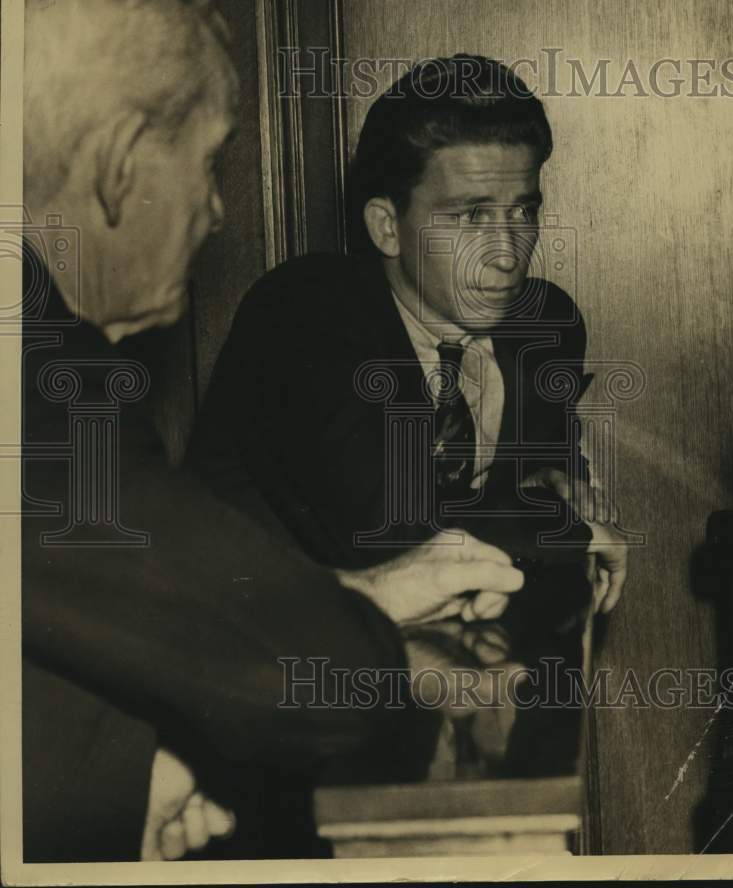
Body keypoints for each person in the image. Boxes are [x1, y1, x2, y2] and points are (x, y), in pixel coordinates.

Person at [21, 0, 526, 863]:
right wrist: (356, 625)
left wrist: (127, 777)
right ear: (122, 164)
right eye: (210, 165)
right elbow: (326, 685)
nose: (216, 212)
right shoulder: (35, 374)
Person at [188, 55, 629, 775]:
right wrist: (567, 529)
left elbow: (540, 496)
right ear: (387, 227)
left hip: (461, 693)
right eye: (469, 217)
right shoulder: (306, 311)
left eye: (524, 210)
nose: (507, 251)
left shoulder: (544, 325)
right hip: (263, 712)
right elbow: (389, 530)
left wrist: (562, 507)